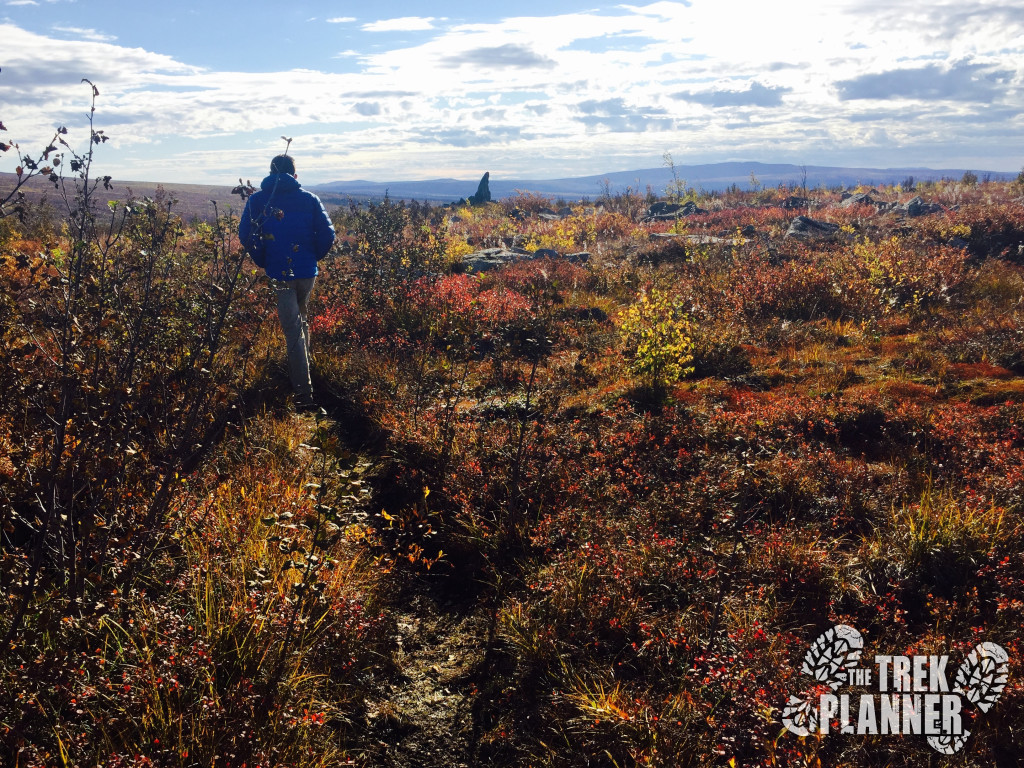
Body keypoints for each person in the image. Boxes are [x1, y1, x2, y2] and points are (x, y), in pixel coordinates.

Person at [239, 154, 335, 411]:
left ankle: (304, 397)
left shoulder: (259, 200)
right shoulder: (309, 199)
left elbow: (245, 234)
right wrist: (313, 257)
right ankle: (307, 372)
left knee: (293, 330)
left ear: (270, 172)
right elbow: (328, 233)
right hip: (306, 273)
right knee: (300, 321)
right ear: (295, 174)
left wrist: (263, 259)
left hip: (279, 274)